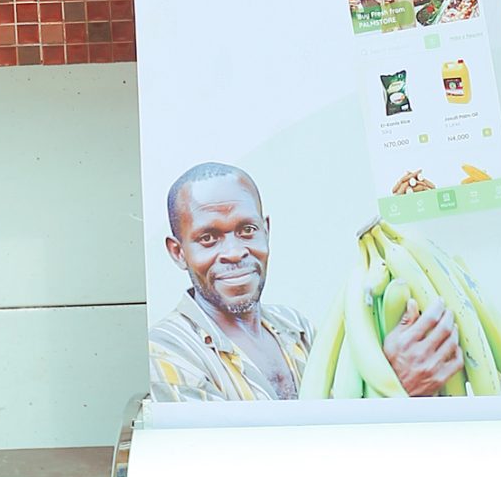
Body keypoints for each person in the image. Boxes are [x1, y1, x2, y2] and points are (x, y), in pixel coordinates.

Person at [147, 161, 460, 402]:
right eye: (208, 238)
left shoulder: (295, 328)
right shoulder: (166, 354)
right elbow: (225, 464)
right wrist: (392, 389)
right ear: (178, 252)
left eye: (247, 230)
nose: (234, 252)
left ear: (266, 230)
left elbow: (338, 415)